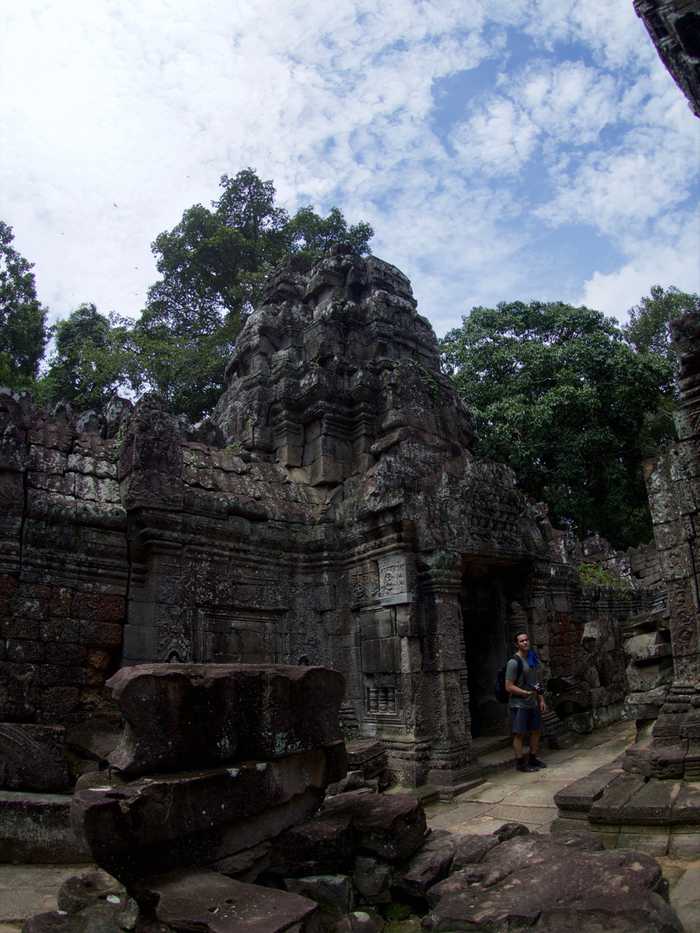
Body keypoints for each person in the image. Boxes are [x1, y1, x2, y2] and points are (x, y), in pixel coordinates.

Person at [506, 631, 547, 772]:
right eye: (521, 641)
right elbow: (508, 686)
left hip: (533, 702)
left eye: (526, 640)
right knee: (519, 733)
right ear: (516, 644)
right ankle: (520, 763)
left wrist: (541, 699)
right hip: (519, 704)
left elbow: (537, 682)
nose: (525, 642)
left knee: (536, 731)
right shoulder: (513, 662)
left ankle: (533, 758)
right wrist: (524, 693)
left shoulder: (532, 659)